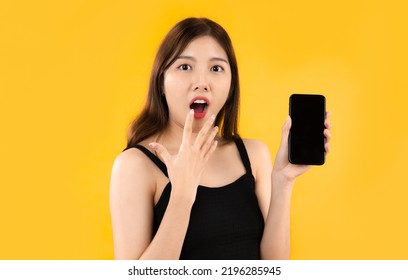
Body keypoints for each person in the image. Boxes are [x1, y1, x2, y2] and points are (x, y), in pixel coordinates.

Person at [109, 17, 332, 260]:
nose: (202, 83)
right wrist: (182, 196)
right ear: (161, 80)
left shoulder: (253, 155)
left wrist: (283, 181)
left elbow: (275, 267)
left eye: (216, 68)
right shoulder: (135, 165)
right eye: (185, 67)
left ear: (231, 84)